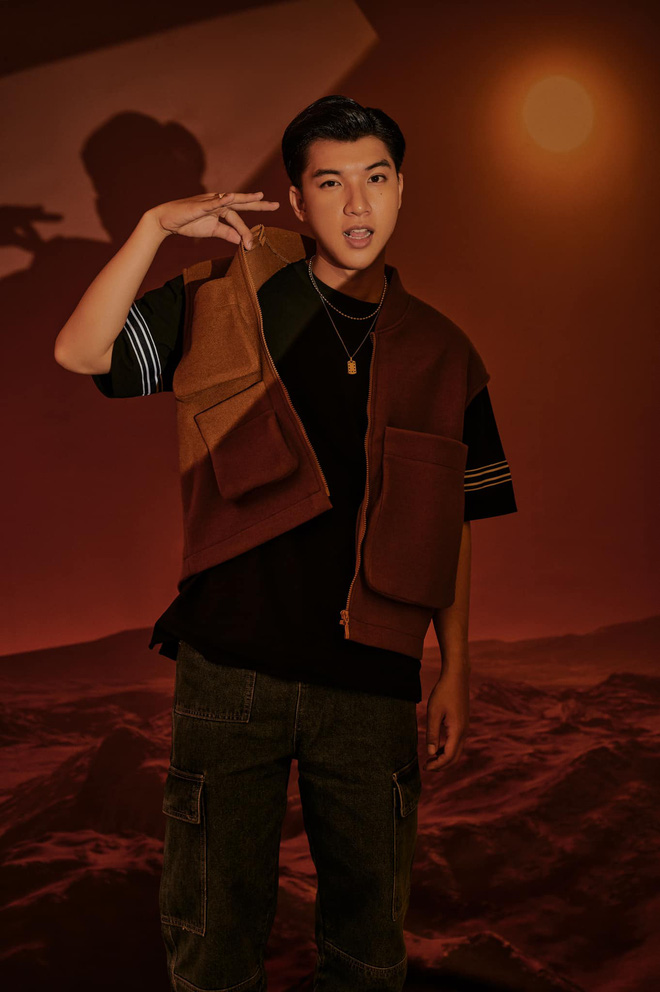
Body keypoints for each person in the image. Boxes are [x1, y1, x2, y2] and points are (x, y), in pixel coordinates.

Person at [54, 95, 517, 992]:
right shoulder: (223, 296)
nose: (358, 204)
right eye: (330, 183)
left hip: (373, 685)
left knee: (368, 957)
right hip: (231, 672)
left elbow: (450, 524)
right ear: (298, 201)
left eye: (375, 179)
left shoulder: (446, 353)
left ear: (401, 188)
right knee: (213, 950)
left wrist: (455, 667)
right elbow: (81, 352)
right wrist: (153, 228)